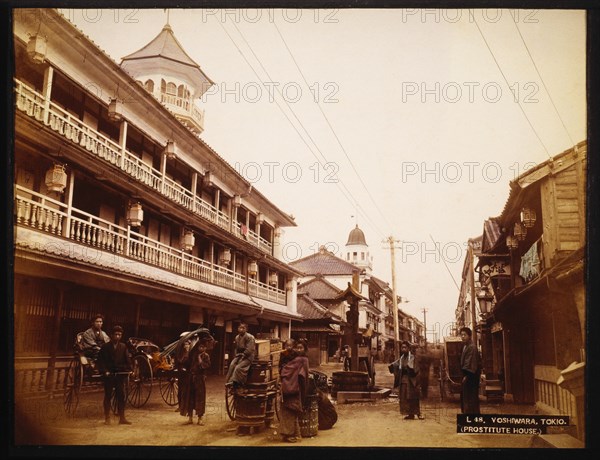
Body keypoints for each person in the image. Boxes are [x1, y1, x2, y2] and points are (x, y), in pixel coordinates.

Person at [97, 325, 132, 425]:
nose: (117, 336)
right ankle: (107, 418)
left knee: (121, 395)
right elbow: (101, 361)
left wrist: (130, 369)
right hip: (109, 375)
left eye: (119, 335)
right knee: (108, 395)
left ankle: (122, 418)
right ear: (112, 335)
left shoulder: (123, 346)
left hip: (119, 375)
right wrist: (105, 371)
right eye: (116, 334)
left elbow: (127, 360)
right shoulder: (105, 347)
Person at [279, 340, 310, 443]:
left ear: (305, 350)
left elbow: (301, 375)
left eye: (302, 348)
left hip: (293, 387)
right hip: (292, 387)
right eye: (298, 348)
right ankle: (289, 434)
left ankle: (291, 433)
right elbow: (287, 370)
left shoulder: (302, 360)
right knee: (290, 411)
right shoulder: (296, 359)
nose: (299, 350)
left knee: (291, 411)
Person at [179, 340, 211, 425]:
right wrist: (186, 351)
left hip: (200, 379)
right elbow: (185, 362)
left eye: (203, 347)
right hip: (191, 378)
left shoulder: (206, 356)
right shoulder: (193, 355)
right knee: (190, 398)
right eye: (200, 347)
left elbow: (205, 366)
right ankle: (190, 418)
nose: (201, 348)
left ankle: (200, 418)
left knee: (200, 398)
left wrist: (200, 359)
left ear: (205, 348)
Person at [389, 341, 423, 420]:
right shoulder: (401, 359)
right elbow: (395, 365)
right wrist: (392, 366)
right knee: (404, 398)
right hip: (403, 380)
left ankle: (418, 413)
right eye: (402, 347)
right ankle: (409, 414)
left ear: (408, 348)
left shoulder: (412, 357)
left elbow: (415, 369)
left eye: (405, 347)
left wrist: (409, 368)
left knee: (413, 397)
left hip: (411, 381)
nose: (403, 349)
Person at [226, 323, 255, 388]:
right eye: (240, 328)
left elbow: (249, 349)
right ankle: (229, 381)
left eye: (243, 328)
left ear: (246, 329)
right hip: (239, 355)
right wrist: (236, 356)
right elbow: (236, 348)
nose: (241, 329)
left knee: (238, 368)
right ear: (238, 329)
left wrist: (243, 357)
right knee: (232, 365)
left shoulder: (250, 337)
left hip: (248, 356)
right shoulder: (237, 337)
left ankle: (238, 383)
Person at [459, 327, 481, 414]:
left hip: (471, 376)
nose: (463, 337)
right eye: (461, 335)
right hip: (468, 375)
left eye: (465, 335)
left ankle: (472, 417)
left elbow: (469, 363)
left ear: (470, 336)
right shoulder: (466, 346)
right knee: (467, 397)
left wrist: (466, 375)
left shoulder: (471, 347)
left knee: (470, 398)